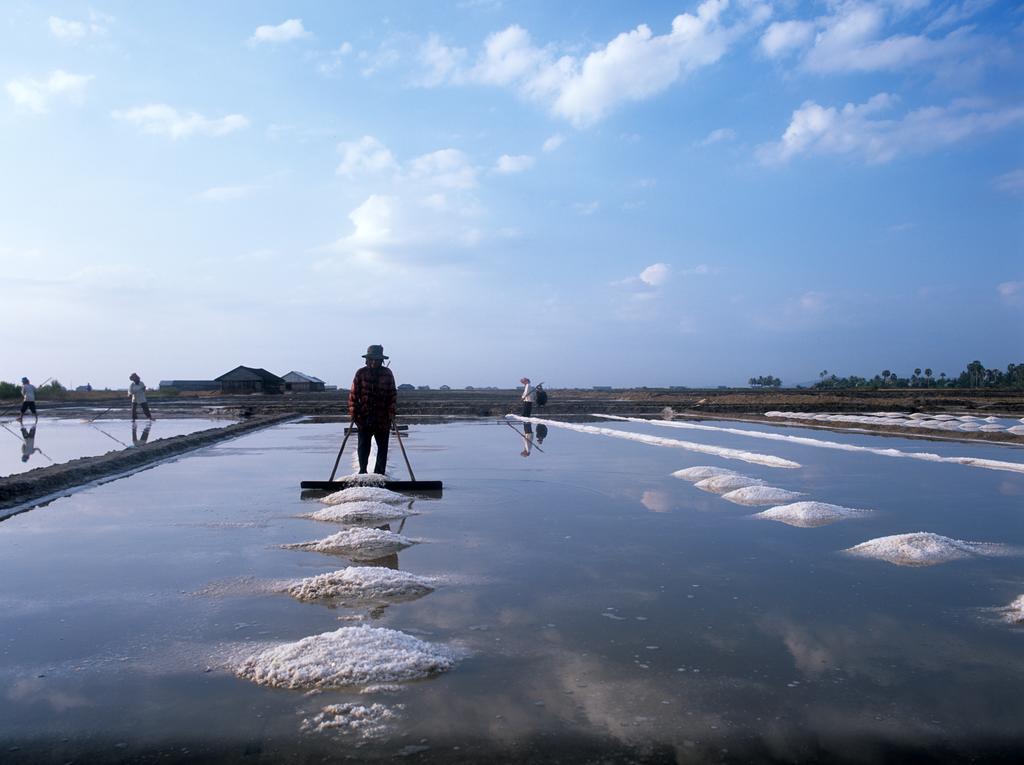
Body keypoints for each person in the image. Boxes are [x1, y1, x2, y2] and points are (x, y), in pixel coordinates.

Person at [348, 345, 397, 475]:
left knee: (382, 448)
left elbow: (392, 394)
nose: (374, 362)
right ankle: (362, 471)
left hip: (383, 418)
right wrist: (354, 412)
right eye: (372, 359)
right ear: (367, 360)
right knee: (363, 446)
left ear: (381, 360)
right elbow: (353, 395)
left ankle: (380, 474)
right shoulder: (361, 373)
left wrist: (391, 411)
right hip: (364, 417)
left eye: (377, 360)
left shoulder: (387, 374)